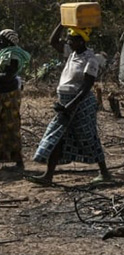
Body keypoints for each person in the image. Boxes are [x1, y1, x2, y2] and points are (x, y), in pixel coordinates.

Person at [28, 24, 110, 184]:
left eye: (71, 39)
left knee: (88, 136)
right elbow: (52, 41)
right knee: (57, 135)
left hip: (82, 104)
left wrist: (70, 105)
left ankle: (104, 172)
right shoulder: (72, 54)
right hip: (65, 103)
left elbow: (86, 87)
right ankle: (48, 176)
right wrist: (62, 22)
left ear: (81, 41)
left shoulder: (91, 59)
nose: (68, 41)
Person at [0, 29, 30, 171]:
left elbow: (7, 75)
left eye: (1, 40)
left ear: (8, 41)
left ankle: (17, 160)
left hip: (8, 94)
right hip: (5, 92)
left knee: (10, 125)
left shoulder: (12, 54)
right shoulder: (5, 53)